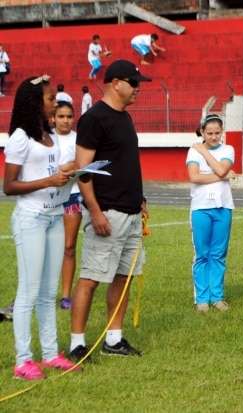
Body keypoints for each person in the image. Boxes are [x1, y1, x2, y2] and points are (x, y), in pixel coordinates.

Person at [69, 60, 151, 360]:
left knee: (124, 277)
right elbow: (84, 170)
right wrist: (95, 211)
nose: (138, 89)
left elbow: (125, 163)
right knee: (90, 278)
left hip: (130, 212)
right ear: (115, 82)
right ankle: (77, 343)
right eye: (133, 82)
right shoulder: (94, 119)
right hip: (107, 213)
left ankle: (113, 338)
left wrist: (139, 200)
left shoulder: (125, 118)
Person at [3, 75, 79, 380]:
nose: (55, 102)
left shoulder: (48, 135)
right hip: (31, 219)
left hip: (54, 216)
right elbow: (9, 185)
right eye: (50, 98)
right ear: (35, 102)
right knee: (29, 291)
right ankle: (23, 360)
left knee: (49, 292)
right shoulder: (21, 136)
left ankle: (50, 354)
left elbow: (48, 170)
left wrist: (66, 172)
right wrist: (49, 180)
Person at [186, 114, 235, 312]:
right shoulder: (193, 151)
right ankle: (202, 299)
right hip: (200, 208)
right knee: (202, 254)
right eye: (209, 133)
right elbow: (194, 177)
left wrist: (205, 152)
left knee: (218, 254)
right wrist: (221, 176)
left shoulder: (228, 149)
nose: (214, 137)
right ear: (203, 132)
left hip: (223, 207)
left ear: (221, 132)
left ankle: (217, 296)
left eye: (217, 133)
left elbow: (223, 169)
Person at [53, 101, 81, 310]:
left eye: (69, 116)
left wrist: (68, 168)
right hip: (47, 198)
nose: (65, 120)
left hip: (72, 197)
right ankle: (36, 293)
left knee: (69, 247)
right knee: (43, 247)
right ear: (53, 118)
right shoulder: (45, 138)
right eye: (61, 116)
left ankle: (65, 295)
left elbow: (82, 162)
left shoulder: (78, 139)